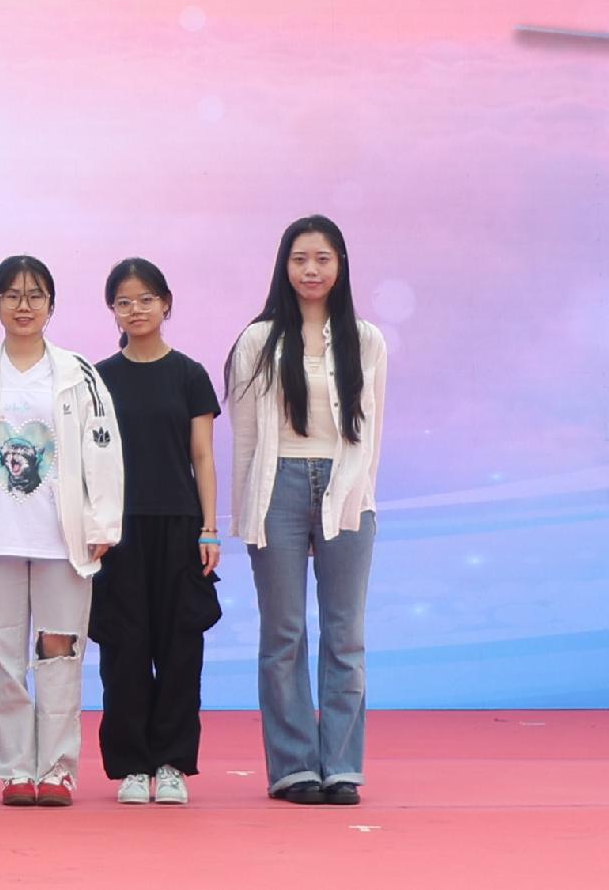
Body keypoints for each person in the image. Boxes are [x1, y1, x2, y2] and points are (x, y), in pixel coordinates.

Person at [232, 216, 389, 807]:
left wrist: (358, 495)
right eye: (300, 259)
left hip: (346, 488)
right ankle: (294, 766)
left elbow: (372, 433)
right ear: (284, 265)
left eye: (323, 259)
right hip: (279, 487)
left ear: (340, 265)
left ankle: (342, 765)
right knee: (284, 633)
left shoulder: (366, 339)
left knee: (345, 636)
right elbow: (246, 441)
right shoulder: (258, 340)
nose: (312, 270)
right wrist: (246, 514)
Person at [0, 257, 123, 807]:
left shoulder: (80, 374)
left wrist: (101, 521)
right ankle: (14, 770)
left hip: (61, 537)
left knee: (59, 652)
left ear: (52, 305)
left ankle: (57, 768)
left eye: (35, 295)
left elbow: (103, 452)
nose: (23, 306)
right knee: (4, 656)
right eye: (10, 295)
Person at [88, 256, 223, 807]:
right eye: (124, 301)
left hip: (179, 525)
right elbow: (89, 459)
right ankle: (130, 767)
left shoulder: (189, 374)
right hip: (118, 531)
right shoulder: (98, 378)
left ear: (166, 304)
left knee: (179, 647)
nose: (136, 309)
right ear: (112, 311)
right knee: (123, 647)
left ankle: (170, 764)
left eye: (146, 299)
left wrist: (210, 529)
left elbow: (202, 456)